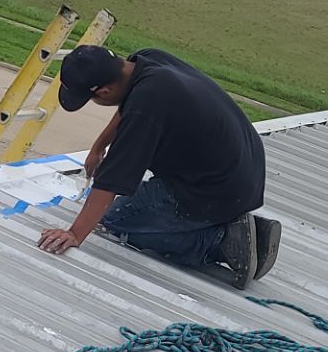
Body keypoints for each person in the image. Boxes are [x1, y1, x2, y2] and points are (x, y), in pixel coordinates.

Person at [35, 45, 280, 287]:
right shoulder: (147, 61)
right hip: (244, 168)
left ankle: (222, 242)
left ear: (104, 92)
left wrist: (75, 234)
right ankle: (238, 228)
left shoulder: (146, 107)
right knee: (133, 207)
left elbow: (109, 183)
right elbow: (129, 104)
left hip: (215, 189)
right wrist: (100, 145)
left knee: (116, 220)